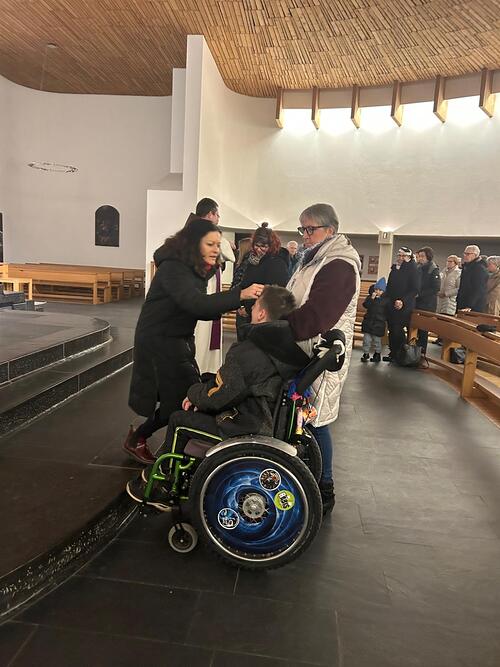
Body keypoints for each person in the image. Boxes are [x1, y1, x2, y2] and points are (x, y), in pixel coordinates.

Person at [126, 285, 309, 509]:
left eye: (255, 307)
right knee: (203, 391)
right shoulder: (282, 345)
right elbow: (236, 385)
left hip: (246, 425)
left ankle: (165, 486)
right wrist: (206, 387)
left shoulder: (250, 351)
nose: (251, 310)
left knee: (179, 420)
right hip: (264, 418)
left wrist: (194, 394)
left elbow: (218, 397)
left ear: (261, 313)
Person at [123, 218, 262, 464]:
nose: (216, 250)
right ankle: (148, 443)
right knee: (181, 399)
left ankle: (168, 447)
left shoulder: (191, 268)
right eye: (210, 244)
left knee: (186, 396)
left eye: (218, 244)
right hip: (159, 342)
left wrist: (234, 302)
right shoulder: (174, 268)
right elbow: (195, 303)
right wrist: (239, 295)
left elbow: (199, 309)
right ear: (192, 243)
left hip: (176, 339)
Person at [286, 203, 361, 514]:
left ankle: (324, 487)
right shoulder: (315, 259)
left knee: (317, 421)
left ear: (330, 230)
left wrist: (278, 326)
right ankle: (306, 479)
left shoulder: (339, 265)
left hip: (322, 355)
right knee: (303, 419)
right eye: (302, 228)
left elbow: (317, 316)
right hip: (304, 350)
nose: (304, 235)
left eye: (310, 229)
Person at [193, 198, 235, 374]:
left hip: (197, 286)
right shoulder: (210, 232)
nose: (218, 218)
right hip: (206, 288)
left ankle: (201, 367)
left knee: (202, 331)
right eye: (217, 214)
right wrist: (226, 243)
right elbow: (230, 255)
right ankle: (203, 369)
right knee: (203, 330)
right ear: (210, 214)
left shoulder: (189, 231)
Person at [237, 223, 289, 326]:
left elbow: (273, 292)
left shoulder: (277, 262)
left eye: (263, 246)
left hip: (262, 315)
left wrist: (249, 308)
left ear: (271, 246)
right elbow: (245, 283)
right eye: (256, 245)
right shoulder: (252, 260)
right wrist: (240, 303)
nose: (259, 249)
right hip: (248, 310)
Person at [383, 247, 419, 362]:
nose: (401, 258)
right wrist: (384, 297)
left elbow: (414, 289)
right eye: (399, 255)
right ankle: (393, 353)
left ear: (409, 257)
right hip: (391, 304)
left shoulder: (413, 269)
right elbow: (389, 286)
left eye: (404, 256)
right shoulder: (395, 268)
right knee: (392, 329)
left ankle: (401, 354)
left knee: (397, 329)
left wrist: (403, 300)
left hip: (404, 305)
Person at [415, 246, 440, 355]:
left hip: (427, 303)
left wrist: (419, 294)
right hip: (417, 302)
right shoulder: (418, 267)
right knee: (414, 326)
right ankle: (413, 350)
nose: (420, 258)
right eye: (419, 256)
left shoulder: (433, 269)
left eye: (422, 256)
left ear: (428, 257)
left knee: (423, 329)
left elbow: (436, 288)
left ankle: (422, 351)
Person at [433, 254, 461, 345]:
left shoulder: (458, 273)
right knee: (440, 320)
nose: (448, 263)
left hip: (450, 300)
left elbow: (458, 288)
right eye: (447, 261)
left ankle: (445, 340)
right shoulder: (444, 271)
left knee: (447, 320)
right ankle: (439, 338)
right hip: (440, 299)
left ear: (455, 263)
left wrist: (446, 293)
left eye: (450, 261)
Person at [360, 277, 387, 363]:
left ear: (383, 291)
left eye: (380, 290)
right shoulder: (370, 298)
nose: (377, 291)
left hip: (379, 324)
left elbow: (387, 311)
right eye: (376, 289)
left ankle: (377, 354)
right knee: (366, 340)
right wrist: (371, 299)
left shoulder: (385, 300)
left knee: (377, 341)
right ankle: (366, 353)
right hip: (368, 322)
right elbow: (365, 305)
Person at [456, 245, 489, 313]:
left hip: (473, 305)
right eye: (464, 253)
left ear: (475, 255)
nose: (465, 256)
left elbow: (478, 289)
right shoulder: (466, 267)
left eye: (468, 254)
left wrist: (469, 305)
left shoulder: (479, 268)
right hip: (462, 301)